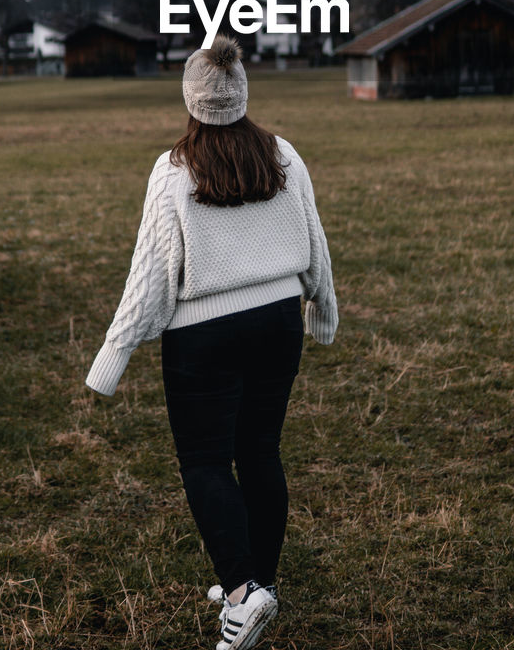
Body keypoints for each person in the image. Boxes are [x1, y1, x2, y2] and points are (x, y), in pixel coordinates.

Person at [85, 35, 338, 650]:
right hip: (278, 323)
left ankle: (243, 593)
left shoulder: (172, 169)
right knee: (260, 453)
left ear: (192, 101)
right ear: (240, 94)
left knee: (205, 463)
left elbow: (149, 273)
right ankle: (256, 586)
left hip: (205, 334)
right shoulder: (284, 155)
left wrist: (110, 358)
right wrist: (322, 306)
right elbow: (316, 238)